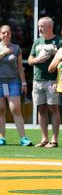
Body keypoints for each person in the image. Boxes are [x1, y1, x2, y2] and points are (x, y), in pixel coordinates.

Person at [0, 25, 33, 147]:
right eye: (3, 33)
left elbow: (20, 67)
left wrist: (23, 83)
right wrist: (4, 52)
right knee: (0, 110)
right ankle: (1, 138)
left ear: (11, 34)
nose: (6, 35)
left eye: (8, 33)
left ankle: (23, 138)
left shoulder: (16, 48)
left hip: (13, 82)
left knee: (16, 109)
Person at [28, 17, 62, 148]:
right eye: (38, 26)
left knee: (53, 108)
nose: (39, 29)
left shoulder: (59, 41)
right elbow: (30, 60)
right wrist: (37, 60)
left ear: (50, 27)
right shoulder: (37, 42)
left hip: (52, 80)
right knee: (41, 109)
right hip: (37, 80)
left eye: (42, 26)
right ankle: (44, 139)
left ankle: (54, 140)